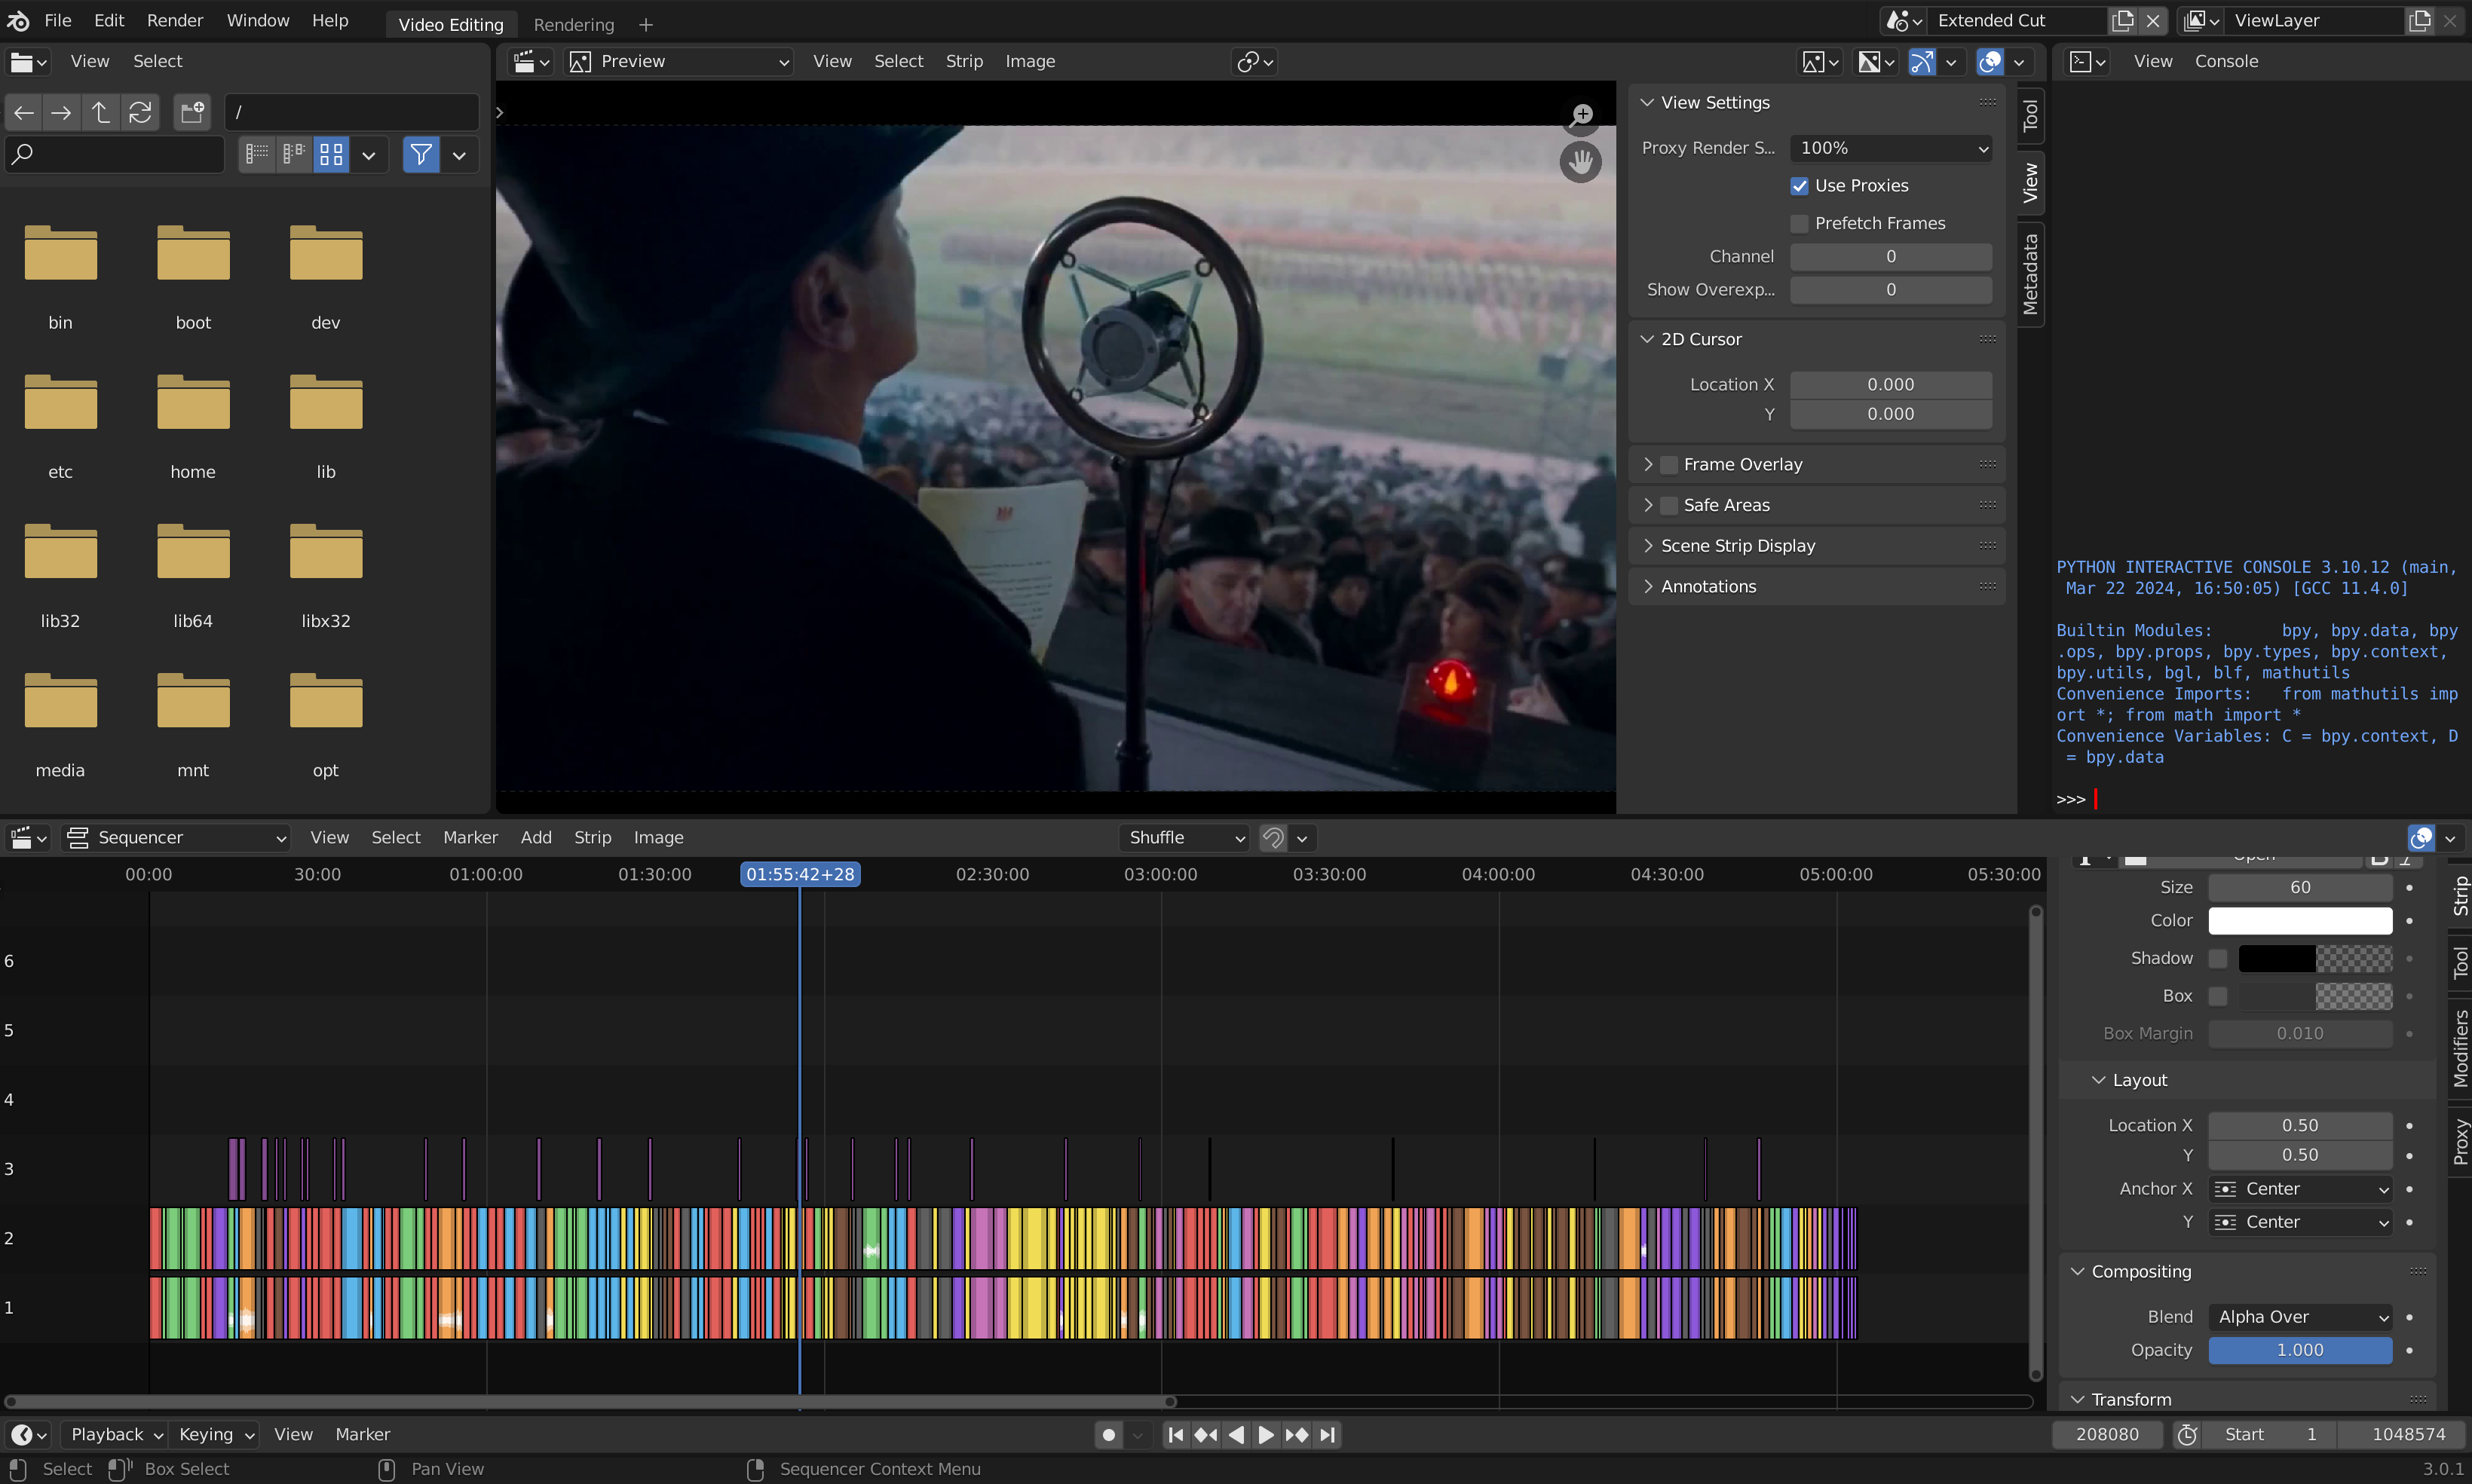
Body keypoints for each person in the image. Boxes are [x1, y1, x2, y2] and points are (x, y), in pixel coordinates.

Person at [493, 125, 1085, 791]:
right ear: (829, 303)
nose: (907, 249)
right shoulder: (936, 653)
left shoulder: (506, 528)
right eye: (896, 224)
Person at [1159, 507, 1319, 660]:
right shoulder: (1158, 650)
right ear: (1187, 584)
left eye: (1253, 584)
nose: (1243, 601)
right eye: (1226, 584)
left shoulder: (1289, 645)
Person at [1383, 524, 1474, 677]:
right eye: (1429, 563)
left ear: (1460, 570)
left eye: (1443, 566)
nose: (1431, 572)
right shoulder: (1420, 598)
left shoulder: (1461, 610)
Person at [1436, 557, 1530, 695]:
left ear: (1492, 625)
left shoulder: (1500, 688)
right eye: (1449, 604)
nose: (1449, 618)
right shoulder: (1445, 660)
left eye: (1465, 612)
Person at [1532, 555, 1613, 669]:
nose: (1554, 596)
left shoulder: (1612, 634)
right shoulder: (1573, 631)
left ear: (1593, 600)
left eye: (1565, 591)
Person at [1311, 551, 1384, 675]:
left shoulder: (1370, 624)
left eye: (1362, 588)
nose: (1354, 595)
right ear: (1331, 590)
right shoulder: (1315, 625)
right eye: (1347, 587)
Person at [1257, 525, 1324, 661]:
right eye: (1290, 569)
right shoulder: (1256, 636)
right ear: (1261, 575)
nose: (1304, 578)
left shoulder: (1311, 620)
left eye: (1309, 568)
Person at [1067, 497, 1130, 617]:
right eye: (1115, 545)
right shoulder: (1075, 605)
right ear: (1084, 551)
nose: (1126, 556)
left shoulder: (1108, 592)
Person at [1564, 454, 1618, 567]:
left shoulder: (1591, 485)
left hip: (1591, 528)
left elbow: (1579, 503)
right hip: (1611, 529)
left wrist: (1568, 518)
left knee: (1590, 556)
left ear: (1598, 467)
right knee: (1608, 560)